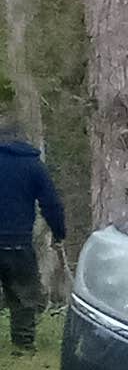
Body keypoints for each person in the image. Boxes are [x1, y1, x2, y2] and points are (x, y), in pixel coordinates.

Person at [0, 116, 66, 355]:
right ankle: (23, 345)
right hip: (18, 241)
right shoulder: (33, 165)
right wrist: (59, 232)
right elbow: (51, 204)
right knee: (24, 294)